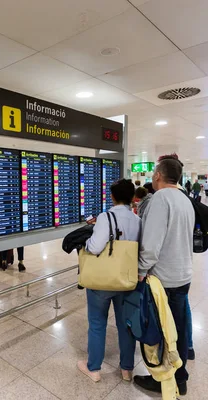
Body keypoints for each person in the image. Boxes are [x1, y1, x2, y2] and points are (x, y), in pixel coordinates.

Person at [135, 154, 195, 396]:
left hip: (163, 279)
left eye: (153, 173)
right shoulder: (185, 199)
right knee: (177, 329)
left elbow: (151, 244)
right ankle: (180, 378)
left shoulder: (160, 199)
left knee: (159, 332)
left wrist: (140, 271)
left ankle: (162, 379)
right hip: (183, 274)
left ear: (158, 175)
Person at [76, 179, 140, 383]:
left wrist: (86, 239)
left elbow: (94, 247)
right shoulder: (138, 220)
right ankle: (127, 369)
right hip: (127, 280)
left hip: (102, 281)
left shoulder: (105, 217)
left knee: (97, 323)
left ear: (112, 196)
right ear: (132, 198)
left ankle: (94, 368)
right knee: (125, 325)